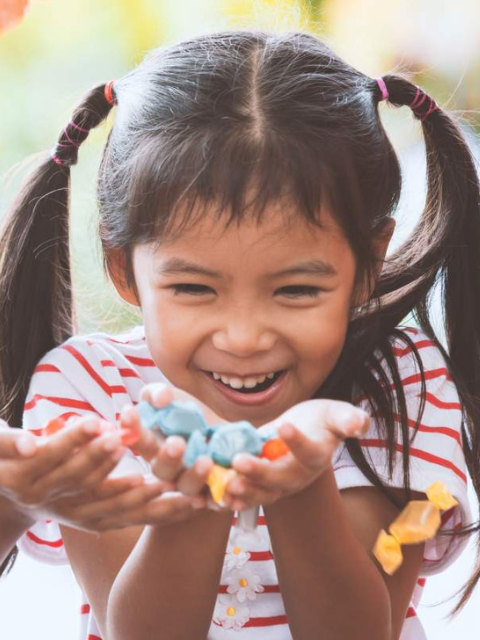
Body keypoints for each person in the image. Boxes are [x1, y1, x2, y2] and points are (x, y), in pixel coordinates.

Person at [0, 29, 478, 640]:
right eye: (195, 289)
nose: (246, 337)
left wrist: (297, 483)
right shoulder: (86, 394)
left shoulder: (404, 384)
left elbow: (364, 625)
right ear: (123, 267)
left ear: (368, 263)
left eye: (297, 290)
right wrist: (200, 485)